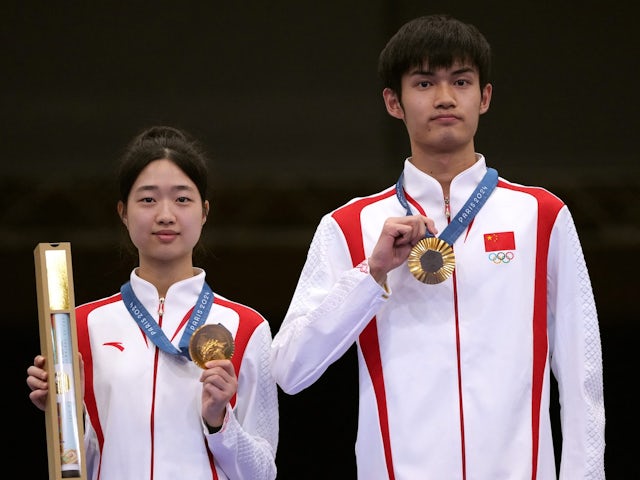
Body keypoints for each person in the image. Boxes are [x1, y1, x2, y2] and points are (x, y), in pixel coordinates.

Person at [270, 14, 605, 479]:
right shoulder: (350, 227)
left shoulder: (542, 217)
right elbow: (289, 369)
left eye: (461, 81)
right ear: (394, 102)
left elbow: (582, 377)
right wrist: (371, 275)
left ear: (484, 96)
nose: (445, 98)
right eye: (424, 83)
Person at [26, 125, 279, 480]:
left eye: (182, 199)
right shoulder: (81, 326)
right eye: (147, 199)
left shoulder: (247, 327)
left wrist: (220, 423)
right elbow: (78, 466)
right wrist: (61, 414)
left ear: (204, 212)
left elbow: (263, 473)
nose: (165, 214)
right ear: (123, 212)